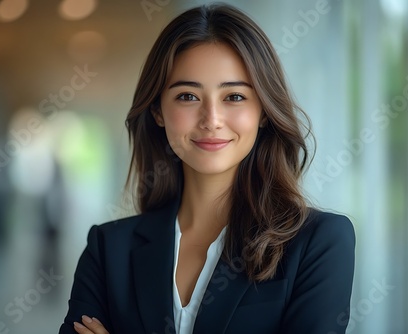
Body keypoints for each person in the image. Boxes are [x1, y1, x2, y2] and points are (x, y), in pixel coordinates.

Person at [59, 3, 355, 334]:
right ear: (158, 110)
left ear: (264, 111)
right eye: (188, 96)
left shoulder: (318, 243)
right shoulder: (107, 248)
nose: (211, 120)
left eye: (235, 97)